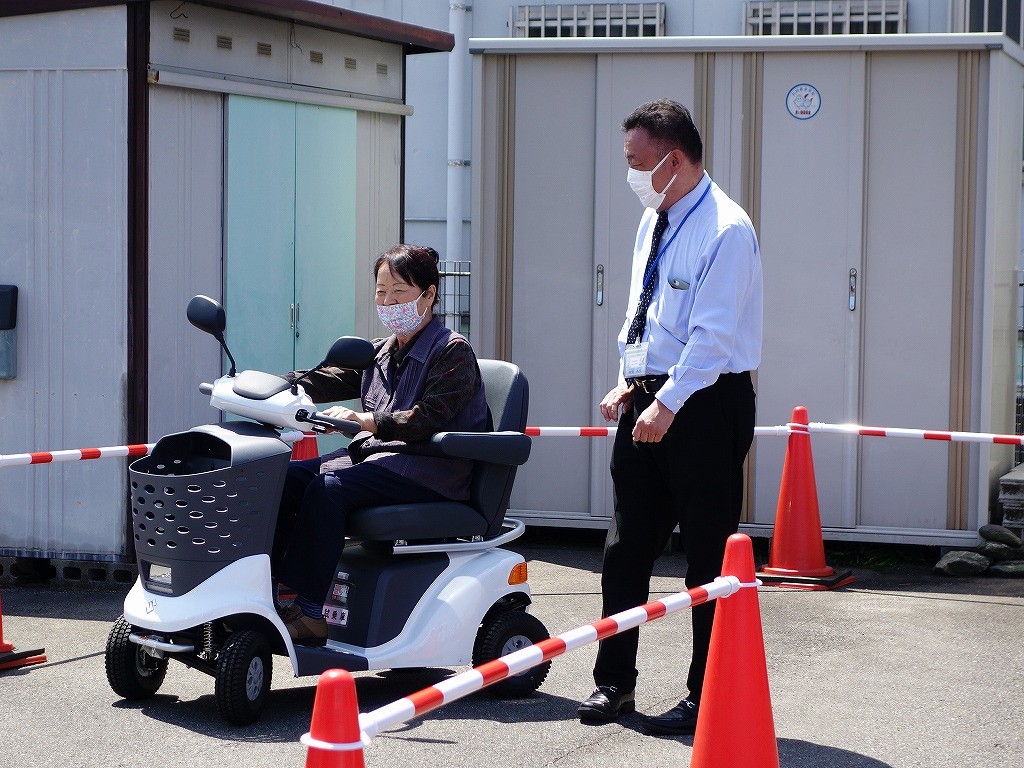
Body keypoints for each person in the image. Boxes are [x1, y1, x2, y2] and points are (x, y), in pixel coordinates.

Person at [577, 99, 763, 735]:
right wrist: (632, 382)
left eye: (636, 161)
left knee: (707, 559)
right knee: (626, 547)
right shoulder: (653, 220)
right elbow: (647, 316)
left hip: (706, 401)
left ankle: (703, 696)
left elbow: (711, 338)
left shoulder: (725, 227)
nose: (629, 172)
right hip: (651, 395)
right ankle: (613, 685)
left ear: (672, 159)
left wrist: (667, 401)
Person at [273, 244, 489, 643]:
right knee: (283, 479)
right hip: (381, 462)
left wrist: (363, 420)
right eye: (380, 291)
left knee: (327, 488)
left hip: (430, 470)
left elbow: (427, 418)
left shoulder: (453, 351)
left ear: (429, 294)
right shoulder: (382, 351)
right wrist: (275, 387)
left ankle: (310, 612)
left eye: (399, 292)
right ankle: (273, 592)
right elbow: (329, 377)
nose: (388, 302)